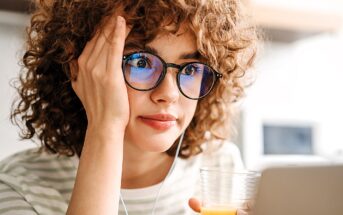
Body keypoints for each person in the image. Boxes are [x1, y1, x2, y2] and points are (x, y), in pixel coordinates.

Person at [0, 0, 257, 214]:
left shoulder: (221, 167)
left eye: (191, 68)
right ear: (79, 65)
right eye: (141, 63)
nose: (168, 94)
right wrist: (105, 127)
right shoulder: (19, 185)